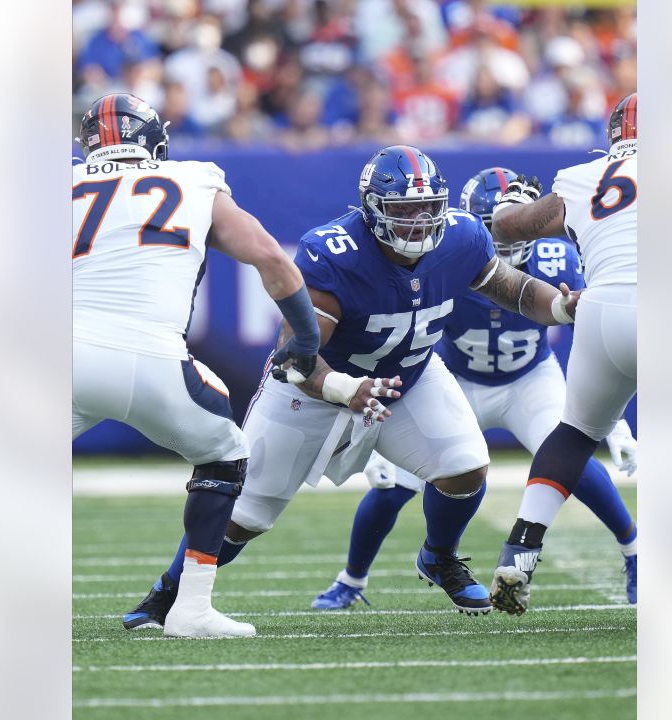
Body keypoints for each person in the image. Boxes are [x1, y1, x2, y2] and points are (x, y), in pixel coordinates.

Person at [121, 145, 581, 628]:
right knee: (245, 516)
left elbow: (514, 288)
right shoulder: (335, 252)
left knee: (465, 469)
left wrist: (563, 308)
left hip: (410, 377)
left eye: (430, 208)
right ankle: (166, 593)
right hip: (311, 390)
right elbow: (294, 355)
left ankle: (439, 556)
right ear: (373, 211)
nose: (421, 222)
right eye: (405, 212)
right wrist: (343, 388)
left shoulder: (462, 236)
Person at [311, 167, 638, 611]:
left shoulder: (557, 260)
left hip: (530, 379)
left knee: (572, 456)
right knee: (393, 488)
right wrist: (375, 443)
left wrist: (612, 420)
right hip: (459, 380)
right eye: (488, 229)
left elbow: (596, 338)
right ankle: (351, 579)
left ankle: (634, 553)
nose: (500, 241)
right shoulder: (450, 262)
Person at [72, 92, 325, 638]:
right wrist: (305, 334)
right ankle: (190, 610)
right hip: (152, 358)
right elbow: (270, 257)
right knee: (224, 453)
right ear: (152, 141)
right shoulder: (194, 178)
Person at [488, 93, 639, 615]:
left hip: (597, 311)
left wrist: (507, 201)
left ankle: (521, 547)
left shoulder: (582, 177)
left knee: (574, 433)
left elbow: (508, 226)